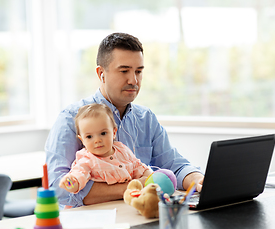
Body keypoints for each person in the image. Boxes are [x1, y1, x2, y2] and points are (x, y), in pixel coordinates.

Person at [45, 32, 204, 208]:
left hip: (140, 217)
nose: (133, 80)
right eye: (124, 71)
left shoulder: (146, 118)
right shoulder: (70, 119)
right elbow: (58, 190)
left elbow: (175, 166)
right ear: (101, 74)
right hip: (93, 226)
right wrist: (132, 188)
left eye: (139, 71)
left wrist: (199, 180)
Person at [59, 103, 152, 194]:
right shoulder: (87, 160)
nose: (97, 140)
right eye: (89, 136)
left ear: (114, 132)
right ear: (82, 140)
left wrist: (147, 177)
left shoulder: (122, 150)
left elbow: (138, 167)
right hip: (102, 207)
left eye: (103, 133)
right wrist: (70, 183)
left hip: (126, 203)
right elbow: (79, 175)